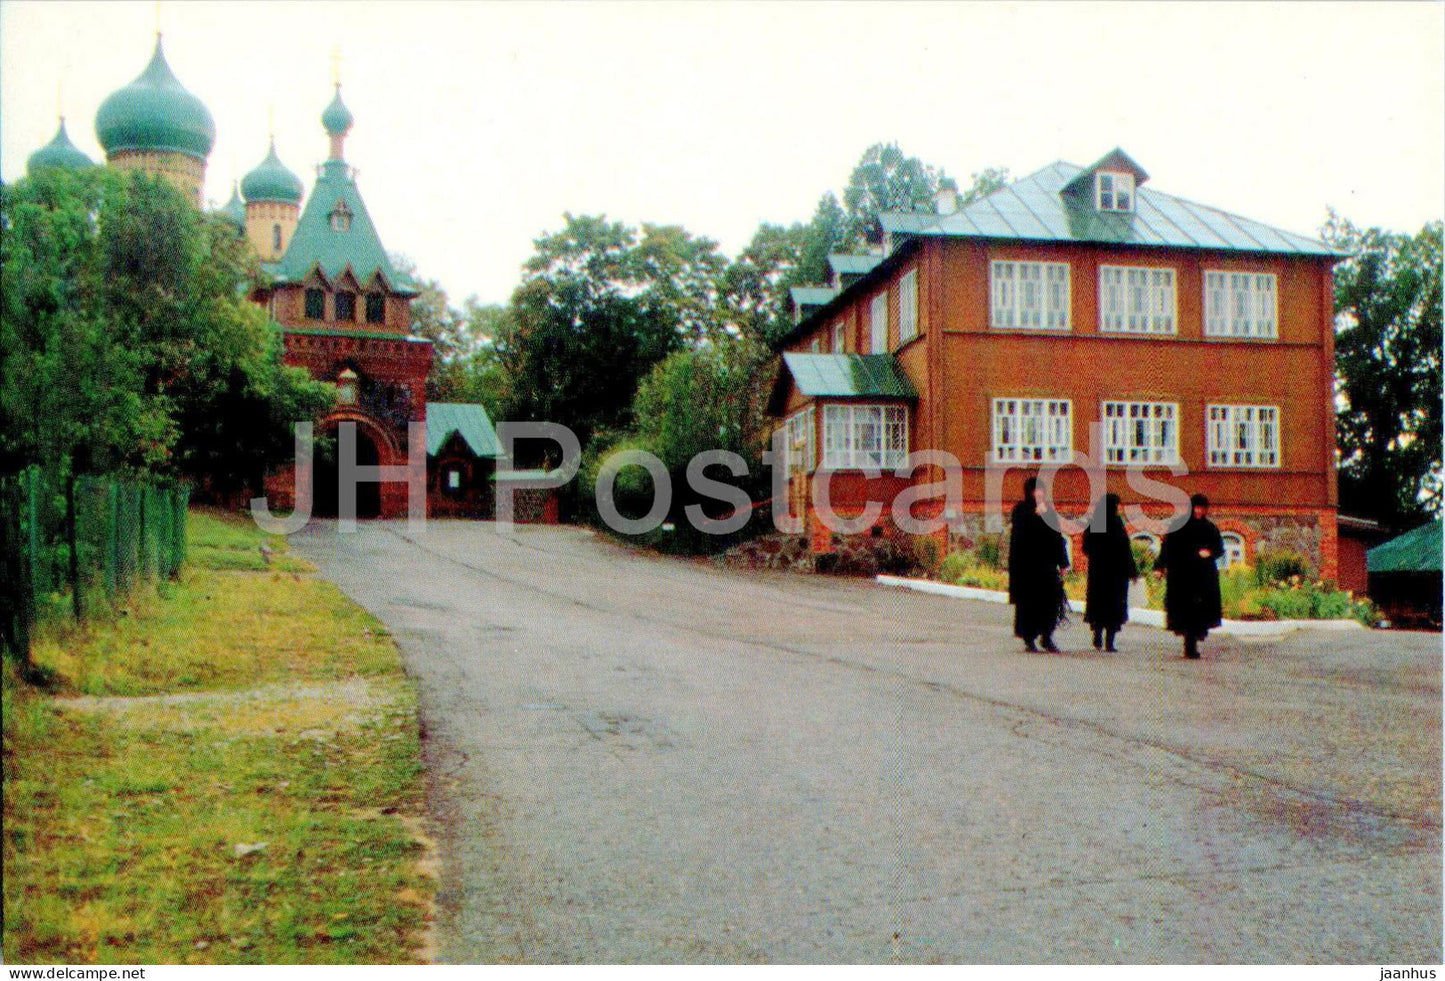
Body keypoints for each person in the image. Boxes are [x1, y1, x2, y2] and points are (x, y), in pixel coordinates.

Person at [1155, 493, 1224, 659]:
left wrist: (1210, 553)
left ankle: (1192, 642)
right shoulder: (1178, 526)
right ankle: (1189, 645)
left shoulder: (1209, 528)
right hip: (1182, 576)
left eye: (1202, 508)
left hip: (1202, 577)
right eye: (1196, 508)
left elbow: (1219, 548)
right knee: (1186, 611)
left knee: (1198, 612)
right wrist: (1159, 567)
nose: (1199, 512)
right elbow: (1167, 548)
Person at [1008, 476, 1069, 652]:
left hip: (1047, 568)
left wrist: (1063, 562)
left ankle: (1047, 637)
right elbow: (1019, 537)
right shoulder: (1021, 510)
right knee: (1029, 606)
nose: (1039, 493)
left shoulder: (1048, 511)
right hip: (1027, 569)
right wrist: (1034, 517)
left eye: (1041, 490)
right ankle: (1029, 638)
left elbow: (1057, 538)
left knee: (1050, 604)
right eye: (1036, 490)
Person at [1083, 493, 1137, 651]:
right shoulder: (1102, 523)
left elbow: (1125, 549)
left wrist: (1132, 571)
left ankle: (1106, 640)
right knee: (1110, 607)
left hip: (1107, 574)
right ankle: (1102, 637)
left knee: (1106, 607)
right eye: (1117, 506)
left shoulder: (1113, 522)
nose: (1119, 509)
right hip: (1108, 574)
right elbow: (1088, 546)